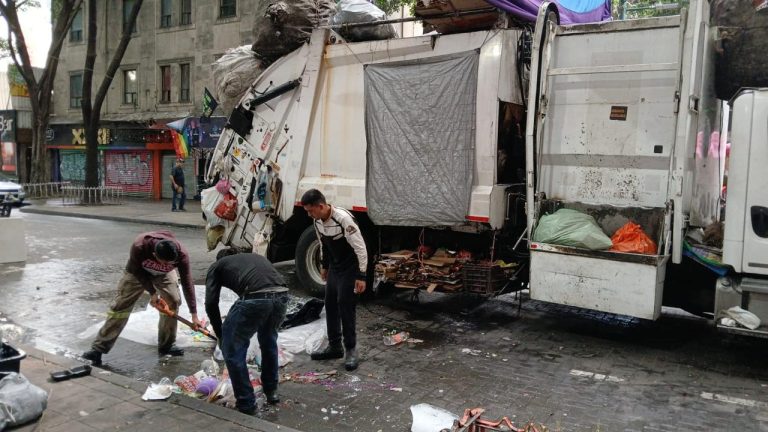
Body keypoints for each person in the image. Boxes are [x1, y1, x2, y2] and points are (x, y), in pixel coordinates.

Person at [82, 231, 201, 366]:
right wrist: (152, 292)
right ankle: (98, 349)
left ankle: (166, 345)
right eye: (164, 262)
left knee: (173, 300)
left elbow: (187, 281)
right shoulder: (139, 246)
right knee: (120, 306)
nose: (166, 265)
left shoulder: (181, 254)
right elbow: (137, 271)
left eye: (170, 263)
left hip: (164, 276)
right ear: (154, 255)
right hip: (137, 273)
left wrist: (194, 314)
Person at [205, 249, 288, 414]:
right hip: (281, 296)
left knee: (232, 349)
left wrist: (221, 335)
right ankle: (271, 391)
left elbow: (210, 303)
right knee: (268, 340)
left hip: (256, 297)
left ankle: (246, 403)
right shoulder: (254, 258)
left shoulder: (217, 266)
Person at [301, 189, 367, 371]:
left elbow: (361, 248)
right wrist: (324, 265)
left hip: (350, 266)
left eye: (310, 210)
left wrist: (362, 276)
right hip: (336, 267)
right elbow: (323, 243)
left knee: (345, 304)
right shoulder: (317, 221)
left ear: (321, 206)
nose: (309, 214)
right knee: (330, 303)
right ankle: (335, 346)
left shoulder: (343, 219)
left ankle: (351, 350)